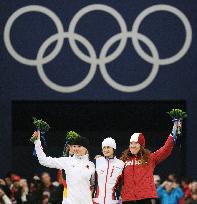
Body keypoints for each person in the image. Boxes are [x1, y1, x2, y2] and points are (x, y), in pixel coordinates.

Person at [120, 121, 180, 204]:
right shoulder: (124, 161)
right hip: (128, 198)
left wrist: (175, 128)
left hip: (144, 198)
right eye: (131, 143)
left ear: (141, 146)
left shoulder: (150, 158)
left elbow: (166, 149)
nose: (132, 145)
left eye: (136, 143)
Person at [32, 130, 95, 204]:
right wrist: (37, 142)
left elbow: (93, 186)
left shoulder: (92, 165)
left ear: (86, 148)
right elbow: (44, 160)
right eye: (74, 146)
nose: (76, 148)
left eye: (79, 146)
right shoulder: (67, 161)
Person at [93, 137, 124, 204]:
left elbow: (123, 183)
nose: (106, 150)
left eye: (108, 147)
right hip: (97, 200)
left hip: (113, 201)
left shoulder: (120, 164)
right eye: (104, 148)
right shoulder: (97, 161)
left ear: (113, 149)